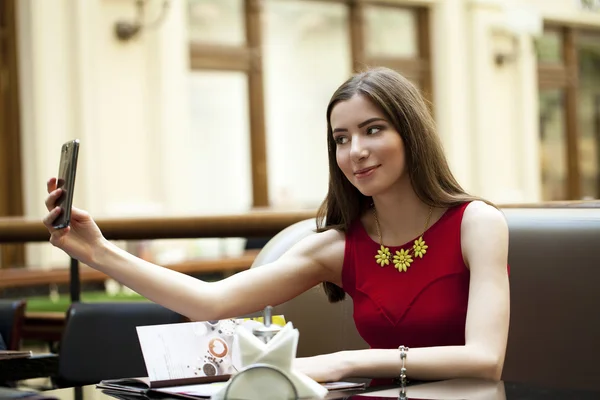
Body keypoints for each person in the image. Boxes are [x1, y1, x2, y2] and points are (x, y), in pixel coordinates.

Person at [43, 67, 510, 385]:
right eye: (341, 139)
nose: (355, 151)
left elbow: (485, 361)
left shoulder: (477, 224)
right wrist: (98, 253)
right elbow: (210, 302)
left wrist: (342, 363)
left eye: (373, 129)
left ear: (411, 133)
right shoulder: (337, 246)